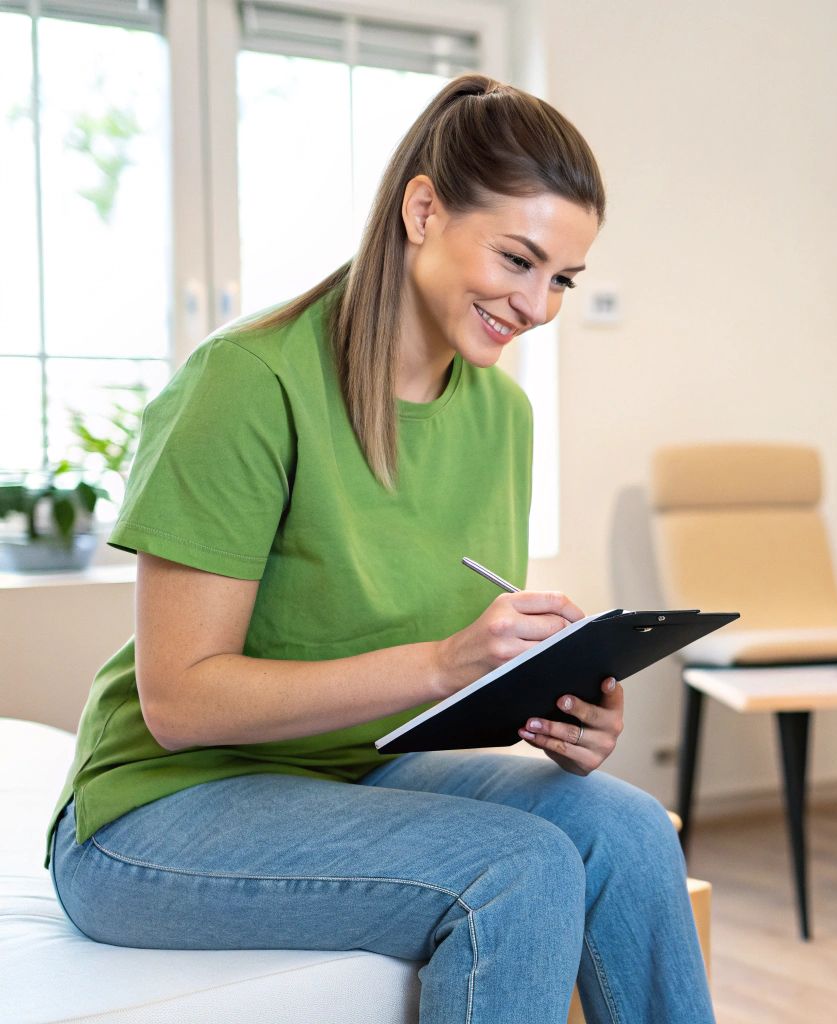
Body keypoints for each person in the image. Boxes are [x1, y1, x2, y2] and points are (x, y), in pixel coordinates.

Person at [47, 74, 714, 1023]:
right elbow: (180, 704)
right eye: (518, 259)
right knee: (517, 868)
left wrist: (555, 704)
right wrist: (443, 662)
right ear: (423, 209)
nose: (538, 305)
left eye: (562, 279)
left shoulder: (502, 416)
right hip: (160, 808)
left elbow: (426, 672)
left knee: (631, 830)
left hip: (355, 773)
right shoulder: (248, 381)